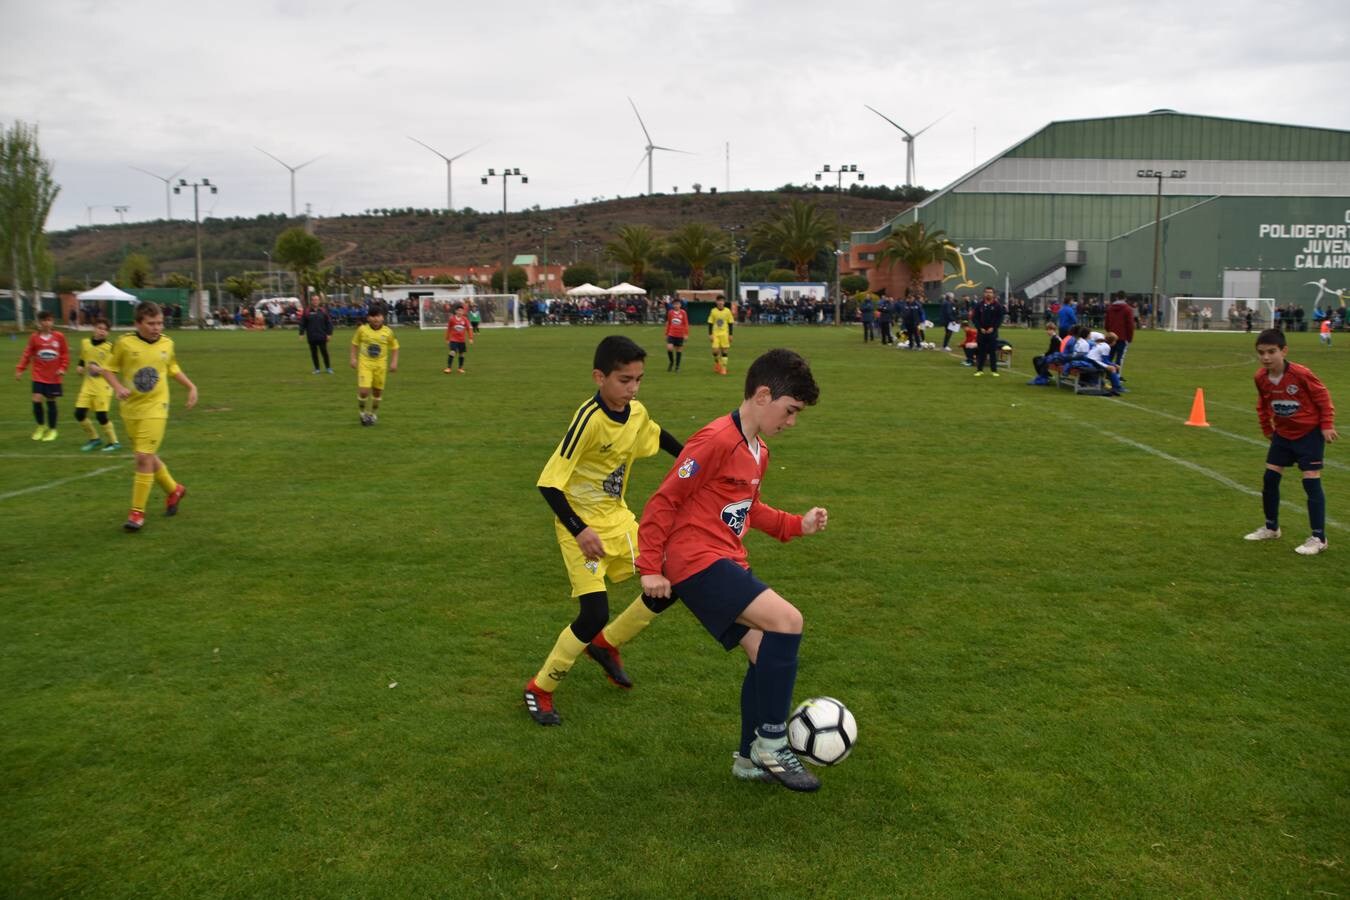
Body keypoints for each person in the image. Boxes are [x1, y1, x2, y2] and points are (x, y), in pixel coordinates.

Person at [636, 348, 827, 791]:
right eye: (790, 410)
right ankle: (773, 741)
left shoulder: (757, 451)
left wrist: (797, 525)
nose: (792, 421)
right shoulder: (715, 440)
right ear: (763, 395)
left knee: (765, 653)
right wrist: (649, 567)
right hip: (695, 561)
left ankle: (747, 758)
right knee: (788, 620)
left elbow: (749, 509)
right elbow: (665, 499)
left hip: (723, 559)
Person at [524, 335, 685, 726]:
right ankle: (540, 688)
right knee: (594, 611)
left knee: (672, 578)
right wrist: (580, 530)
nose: (631, 389)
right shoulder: (588, 421)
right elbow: (549, 483)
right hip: (579, 526)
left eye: (638, 380)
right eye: (624, 380)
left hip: (618, 519)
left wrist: (693, 462)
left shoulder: (635, 412)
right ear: (600, 377)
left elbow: (658, 435)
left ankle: (606, 645)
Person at [100, 302, 197, 532]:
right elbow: (108, 369)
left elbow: (172, 368)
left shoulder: (167, 343)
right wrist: (117, 388)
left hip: (157, 407)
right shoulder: (124, 343)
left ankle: (136, 513)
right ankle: (174, 490)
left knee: (143, 457)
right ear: (138, 323)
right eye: (151, 323)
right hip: (131, 409)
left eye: (160, 323)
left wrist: (191, 386)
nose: (156, 328)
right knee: (148, 456)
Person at [1243, 329, 1338, 555]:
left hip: (1308, 434)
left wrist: (1326, 425)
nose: (1266, 357)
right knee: (1270, 479)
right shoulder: (1260, 377)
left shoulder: (1301, 374)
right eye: (1261, 353)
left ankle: (1318, 537)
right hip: (1283, 435)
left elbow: (1323, 397)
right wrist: (1268, 429)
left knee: (1311, 482)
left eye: (1271, 352)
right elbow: (1263, 404)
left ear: (1284, 351)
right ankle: (1271, 527)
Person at [15, 310, 69, 442]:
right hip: (38, 375)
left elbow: (65, 355)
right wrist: (20, 369)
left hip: (54, 377)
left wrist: (62, 368)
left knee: (51, 401)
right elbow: (27, 354)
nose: (46, 323)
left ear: (52, 322)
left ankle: (52, 430)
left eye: (49, 320)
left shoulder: (59, 337)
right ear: (39, 322)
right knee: (36, 399)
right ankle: (41, 426)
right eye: (44, 320)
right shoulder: (34, 338)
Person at [73, 317, 120, 452]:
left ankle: (114, 442)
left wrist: (99, 370)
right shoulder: (85, 343)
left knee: (101, 416)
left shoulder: (110, 348)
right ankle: (94, 439)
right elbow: (83, 358)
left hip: (104, 386)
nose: (102, 332)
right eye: (100, 328)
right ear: (94, 328)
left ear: (108, 333)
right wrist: (80, 366)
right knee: (79, 414)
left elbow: (114, 368)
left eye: (105, 330)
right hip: (87, 385)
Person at [350, 303, 399, 425]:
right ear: (368, 318)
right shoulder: (362, 330)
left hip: (380, 366)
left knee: (377, 392)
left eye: (378, 316)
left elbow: (395, 347)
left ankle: (373, 414)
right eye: (372, 316)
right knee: (364, 391)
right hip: (365, 364)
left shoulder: (388, 332)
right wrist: (353, 358)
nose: (376, 319)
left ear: (383, 317)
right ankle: (362, 413)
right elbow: (354, 344)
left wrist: (394, 362)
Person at [971, 287, 1005, 377]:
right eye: (987, 292)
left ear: (993, 294)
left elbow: (1000, 318)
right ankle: (979, 370)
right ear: (984, 293)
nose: (988, 294)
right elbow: (975, 318)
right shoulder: (979, 305)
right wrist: (979, 328)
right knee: (981, 352)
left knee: (993, 351)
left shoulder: (997, 306)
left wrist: (993, 327)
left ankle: (994, 370)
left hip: (992, 332)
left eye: (990, 292)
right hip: (981, 332)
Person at [299, 295, 334, 374]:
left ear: (319, 301)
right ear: (311, 301)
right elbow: (302, 323)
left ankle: (328, 368)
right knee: (314, 353)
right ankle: (317, 369)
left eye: (317, 300)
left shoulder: (323, 311)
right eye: (314, 300)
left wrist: (329, 334)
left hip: (322, 335)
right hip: (311, 336)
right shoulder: (307, 311)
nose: (315, 301)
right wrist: (301, 333)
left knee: (324, 352)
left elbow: (329, 323)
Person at [1105, 291, 1135, 369]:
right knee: (1119, 357)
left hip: (1111, 336)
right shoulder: (1128, 309)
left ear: (1116, 297)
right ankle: (1117, 376)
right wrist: (1130, 338)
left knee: (1109, 356)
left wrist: (1109, 332)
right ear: (1125, 298)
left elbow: (1106, 323)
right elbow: (1130, 325)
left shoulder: (1110, 308)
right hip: (1122, 337)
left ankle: (1107, 374)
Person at [708, 294, 735, 375]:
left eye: (722, 301)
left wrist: (730, 335)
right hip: (715, 334)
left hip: (724, 334)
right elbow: (710, 323)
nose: (720, 302)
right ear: (716, 302)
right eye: (719, 301)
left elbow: (730, 323)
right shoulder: (713, 311)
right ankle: (717, 363)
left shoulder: (727, 311)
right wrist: (710, 334)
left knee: (724, 351)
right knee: (715, 351)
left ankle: (723, 368)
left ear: (724, 302)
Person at [443, 303, 473, 374]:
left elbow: (469, 329)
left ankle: (460, 368)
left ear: (463, 312)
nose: (460, 312)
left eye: (461, 311)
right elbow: (449, 329)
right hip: (453, 340)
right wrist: (447, 338)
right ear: (456, 311)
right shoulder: (452, 319)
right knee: (452, 352)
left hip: (462, 340)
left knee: (461, 354)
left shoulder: (465, 319)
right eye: (459, 311)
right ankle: (448, 368)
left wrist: (470, 338)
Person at [664, 298, 689, 372]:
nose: (676, 305)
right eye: (674, 304)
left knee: (679, 350)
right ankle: (671, 362)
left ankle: (677, 367)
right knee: (669, 348)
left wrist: (686, 334)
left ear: (680, 305)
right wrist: (666, 333)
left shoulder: (683, 313)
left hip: (680, 334)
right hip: (671, 334)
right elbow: (669, 323)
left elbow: (686, 324)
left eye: (677, 304)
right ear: (672, 305)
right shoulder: (670, 312)